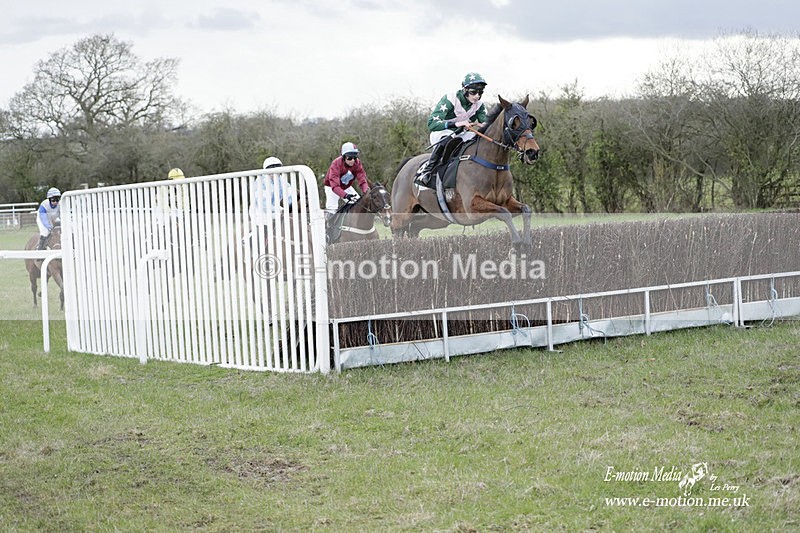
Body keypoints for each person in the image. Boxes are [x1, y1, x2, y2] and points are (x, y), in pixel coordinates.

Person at [416, 72, 489, 188]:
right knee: (448, 139)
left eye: (480, 93)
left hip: (462, 134)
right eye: (473, 92)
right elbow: (432, 123)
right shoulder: (450, 99)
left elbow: (486, 123)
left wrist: (485, 125)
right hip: (441, 133)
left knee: (478, 141)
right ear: (465, 90)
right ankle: (427, 170)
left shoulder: (479, 105)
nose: (477, 96)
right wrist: (456, 123)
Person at [323, 142, 370, 216]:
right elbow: (335, 187)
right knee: (332, 208)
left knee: (358, 204)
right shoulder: (335, 164)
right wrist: (345, 195)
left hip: (346, 187)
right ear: (343, 157)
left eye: (355, 157)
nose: (353, 160)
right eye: (350, 158)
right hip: (331, 187)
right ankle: (327, 225)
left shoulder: (357, 163)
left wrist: (366, 190)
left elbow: (362, 179)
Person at [250, 156, 295, 225]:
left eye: (278, 167)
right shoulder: (260, 181)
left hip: (278, 211)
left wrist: (290, 206)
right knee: (266, 226)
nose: (275, 171)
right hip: (261, 213)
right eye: (272, 168)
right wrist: (280, 209)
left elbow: (290, 195)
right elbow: (263, 203)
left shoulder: (282, 179)